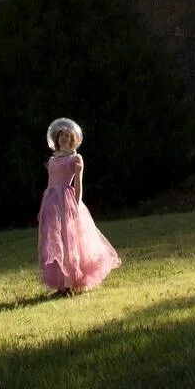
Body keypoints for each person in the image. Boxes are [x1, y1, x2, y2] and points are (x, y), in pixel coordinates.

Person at [37, 117, 121, 295]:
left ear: (73, 139)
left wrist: (76, 204)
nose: (65, 139)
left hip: (66, 201)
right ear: (58, 138)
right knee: (55, 241)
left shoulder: (75, 159)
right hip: (51, 202)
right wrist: (42, 208)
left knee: (69, 242)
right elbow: (50, 184)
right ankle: (61, 284)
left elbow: (78, 185)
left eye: (69, 136)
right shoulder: (52, 160)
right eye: (63, 136)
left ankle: (70, 282)